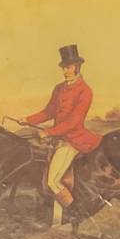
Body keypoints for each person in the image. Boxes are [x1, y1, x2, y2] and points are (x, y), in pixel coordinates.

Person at [19, 45, 101, 225]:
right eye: (63, 68)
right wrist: (28, 119)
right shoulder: (59, 88)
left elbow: (73, 122)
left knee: (53, 182)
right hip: (58, 139)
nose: (65, 71)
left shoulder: (85, 91)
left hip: (73, 140)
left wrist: (48, 132)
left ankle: (76, 214)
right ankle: (54, 217)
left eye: (68, 67)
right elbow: (48, 112)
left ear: (77, 67)